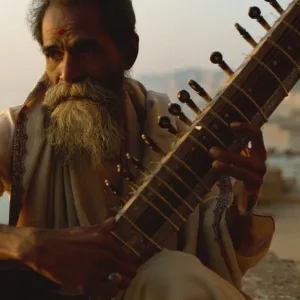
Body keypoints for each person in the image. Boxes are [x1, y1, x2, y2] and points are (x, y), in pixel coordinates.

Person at [0, 0, 275, 299]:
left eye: (85, 50)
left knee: (173, 272)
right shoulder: (17, 133)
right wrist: (26, 244)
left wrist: (245, 198)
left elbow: (218, 245)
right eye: (54, 54)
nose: (67, 73)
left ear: (128, 51)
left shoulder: (171, 135)